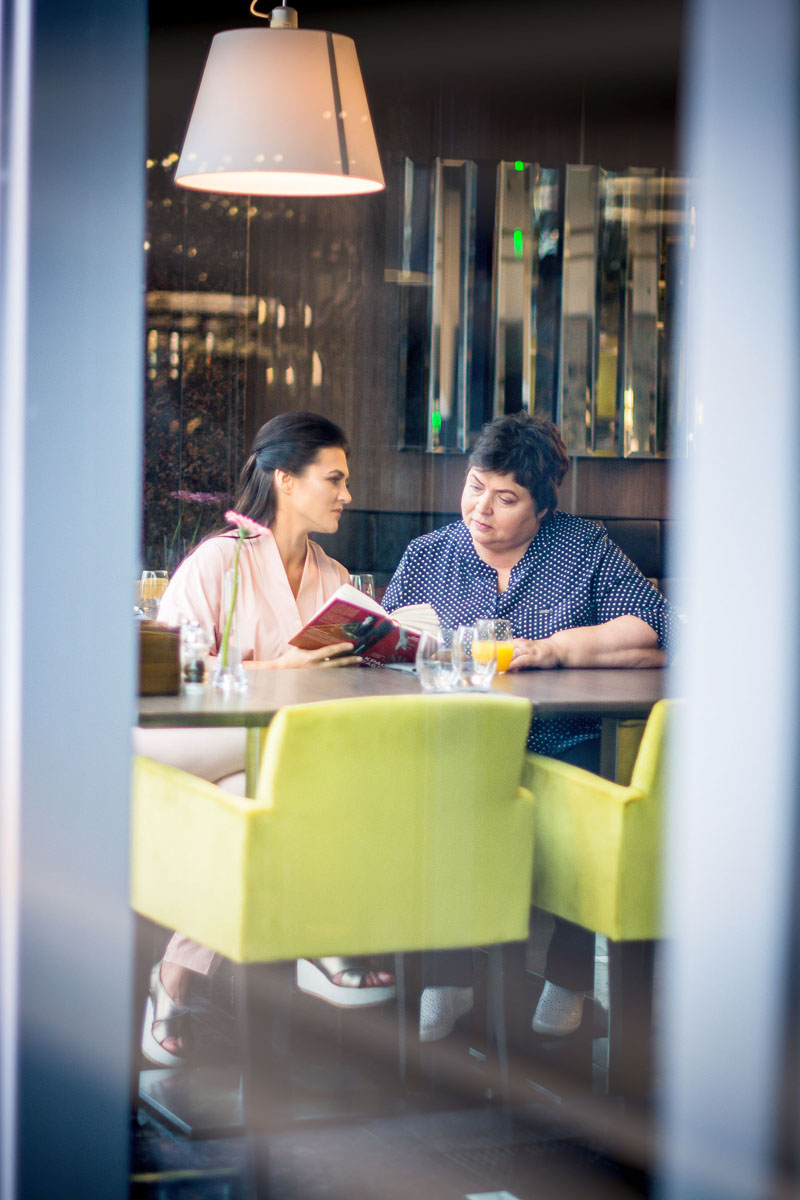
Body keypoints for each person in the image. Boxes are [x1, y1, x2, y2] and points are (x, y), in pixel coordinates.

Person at [382, 411, 679, 1042]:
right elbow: (375, 646)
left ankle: (568, 979)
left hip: (562, 741)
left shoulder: (583, 547)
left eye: (506, 497)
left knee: (589, 797)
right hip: (459, 740)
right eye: (474, 486)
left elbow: (654, 631)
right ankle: (448, 974)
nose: (481, 508)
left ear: (542, 509)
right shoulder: (428, 556)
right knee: (440, 796)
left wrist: (553, 648)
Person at [135, 411, 395, 1066]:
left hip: (262, 765)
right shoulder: (215, 565)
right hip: (180, 746)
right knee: (288, 770)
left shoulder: (334, 580)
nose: (346, 494)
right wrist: (280, 673)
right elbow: (174, 680)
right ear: (284, 479)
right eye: (333, 479)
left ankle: (176, 974)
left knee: (262, 789)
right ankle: (320, 926)